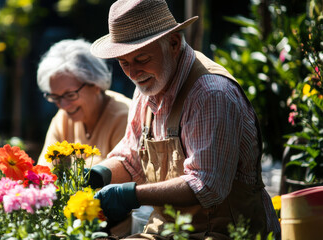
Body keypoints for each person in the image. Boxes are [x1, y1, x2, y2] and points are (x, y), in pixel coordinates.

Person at [87, 0, 281, 239]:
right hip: (169, 229)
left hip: (226, 230)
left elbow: (207, 186)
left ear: (174, 43)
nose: (133, 73)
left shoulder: (211, 94)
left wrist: (131, 195)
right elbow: (131, 160)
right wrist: (96, 176)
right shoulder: (147, 86)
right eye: (124, 63)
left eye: (142, 59)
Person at [36, 39, 131, 168]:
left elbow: (122, 176)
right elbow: (45, 172)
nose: (63, 105)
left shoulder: (125, 117)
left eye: (70, 95)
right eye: (55, 97)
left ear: (96, 84)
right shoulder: (62, 118)